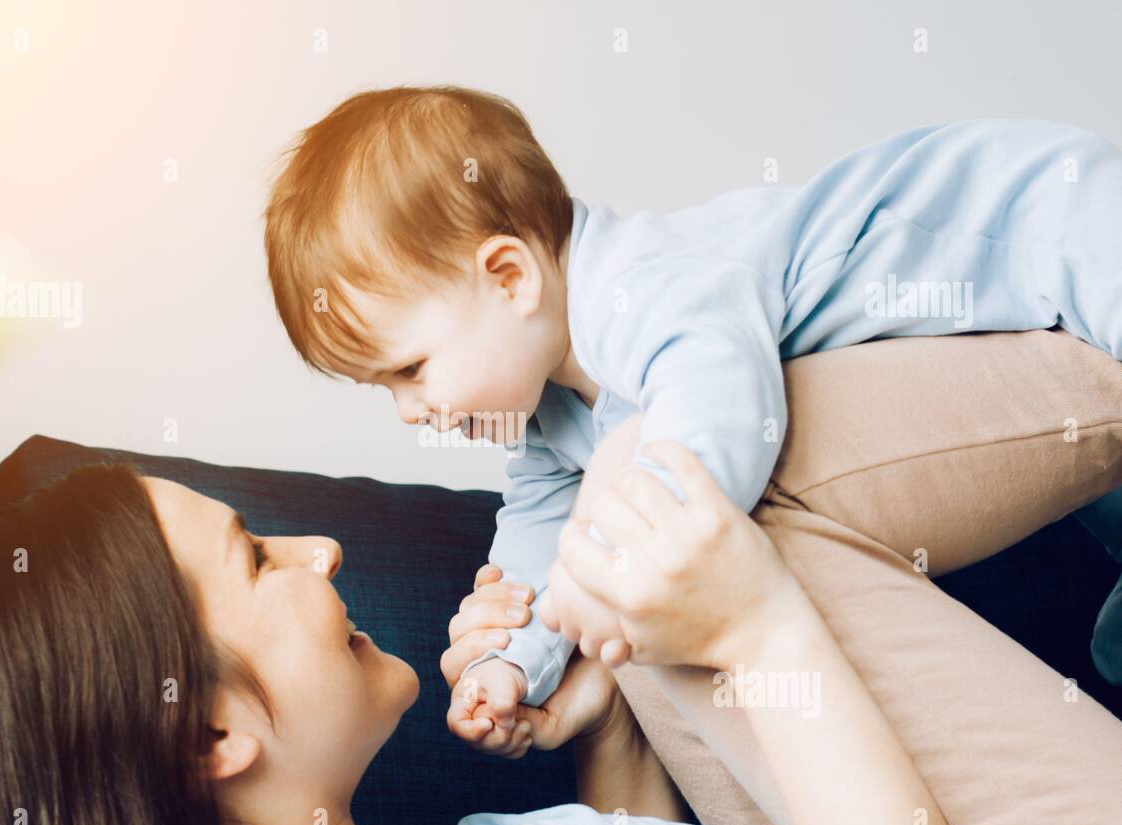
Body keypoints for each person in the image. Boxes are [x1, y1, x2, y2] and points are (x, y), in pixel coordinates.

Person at [261, 87, 1122, 749]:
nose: (414, 410)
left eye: (410, 369)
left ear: (510, 277)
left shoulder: (644, 285)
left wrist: (607, 563)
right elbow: (534, 541)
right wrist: (509, 660)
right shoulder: (554, 421)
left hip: (1038, 217)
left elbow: (723, 407)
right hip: (1001, 353)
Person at [0, 457, 956, 825]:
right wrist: (758, 627)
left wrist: (604, 725)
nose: (319, 547)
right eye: (256, 555)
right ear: (206, 731)